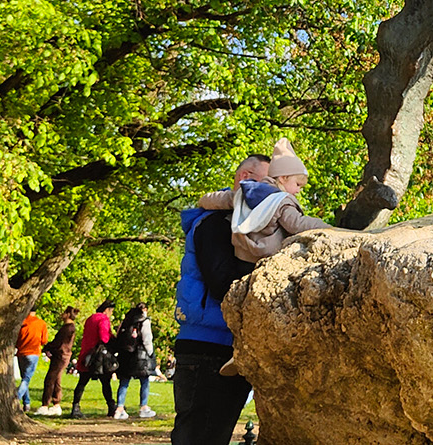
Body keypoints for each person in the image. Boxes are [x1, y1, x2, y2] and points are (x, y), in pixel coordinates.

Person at [171, 153, 264, 445]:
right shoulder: (214, 224)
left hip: (224, 345)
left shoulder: (239, 224)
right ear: (246, 180)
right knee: (199, 437)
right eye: (268, 183)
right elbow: (223, 284)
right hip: (207, 348)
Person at [195, 139, 331, 261]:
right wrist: (327, 227)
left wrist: (202, 200)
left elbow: (221, 198)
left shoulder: (248, 191)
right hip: (266, 256)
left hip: (242, 254)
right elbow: (296, 224)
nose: (298, 191)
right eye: (298, 185)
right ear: (283, 178)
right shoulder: (282, 201)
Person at [112, 303, 156, 419]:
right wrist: (150, 353)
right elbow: (147, 339)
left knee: (124, 382)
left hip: (126, 355)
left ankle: (120, 407)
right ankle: (143, 407)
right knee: (144, 381)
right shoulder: (144, 321)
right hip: (140, 356)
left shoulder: (126, 321)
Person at [36, 306, 78, 415]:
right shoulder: (68, 328)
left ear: (68, 314)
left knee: (50, 379)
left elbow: (59, 343)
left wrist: (48, 347)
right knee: (56, 380)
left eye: (64, 313)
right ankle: (56, 404)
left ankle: (45, 405)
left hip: (60, 356)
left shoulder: (67, 328)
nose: (62, 315)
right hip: (61, 356)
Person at [15, 309, 51, 412]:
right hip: (33, 353)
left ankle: (27, 403)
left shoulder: (21, 323)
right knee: (26, 379)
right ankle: (16, 398)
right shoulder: (40, 323)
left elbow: (16, 340)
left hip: (21, 353)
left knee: (24, 378)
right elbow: (44, 340)